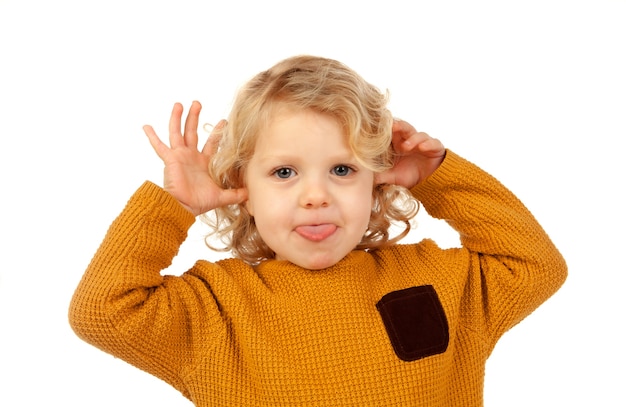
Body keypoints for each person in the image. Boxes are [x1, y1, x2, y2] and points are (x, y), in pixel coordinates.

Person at [69, 55, 567, 406]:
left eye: (343, 170)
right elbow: (102, 312)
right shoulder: (215, 309)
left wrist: (440, 178)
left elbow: (534, 266)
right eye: (284, 173)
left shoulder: (438, 280)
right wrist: (174, 207)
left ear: (378, 179)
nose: (315, 196)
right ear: (241, 183)